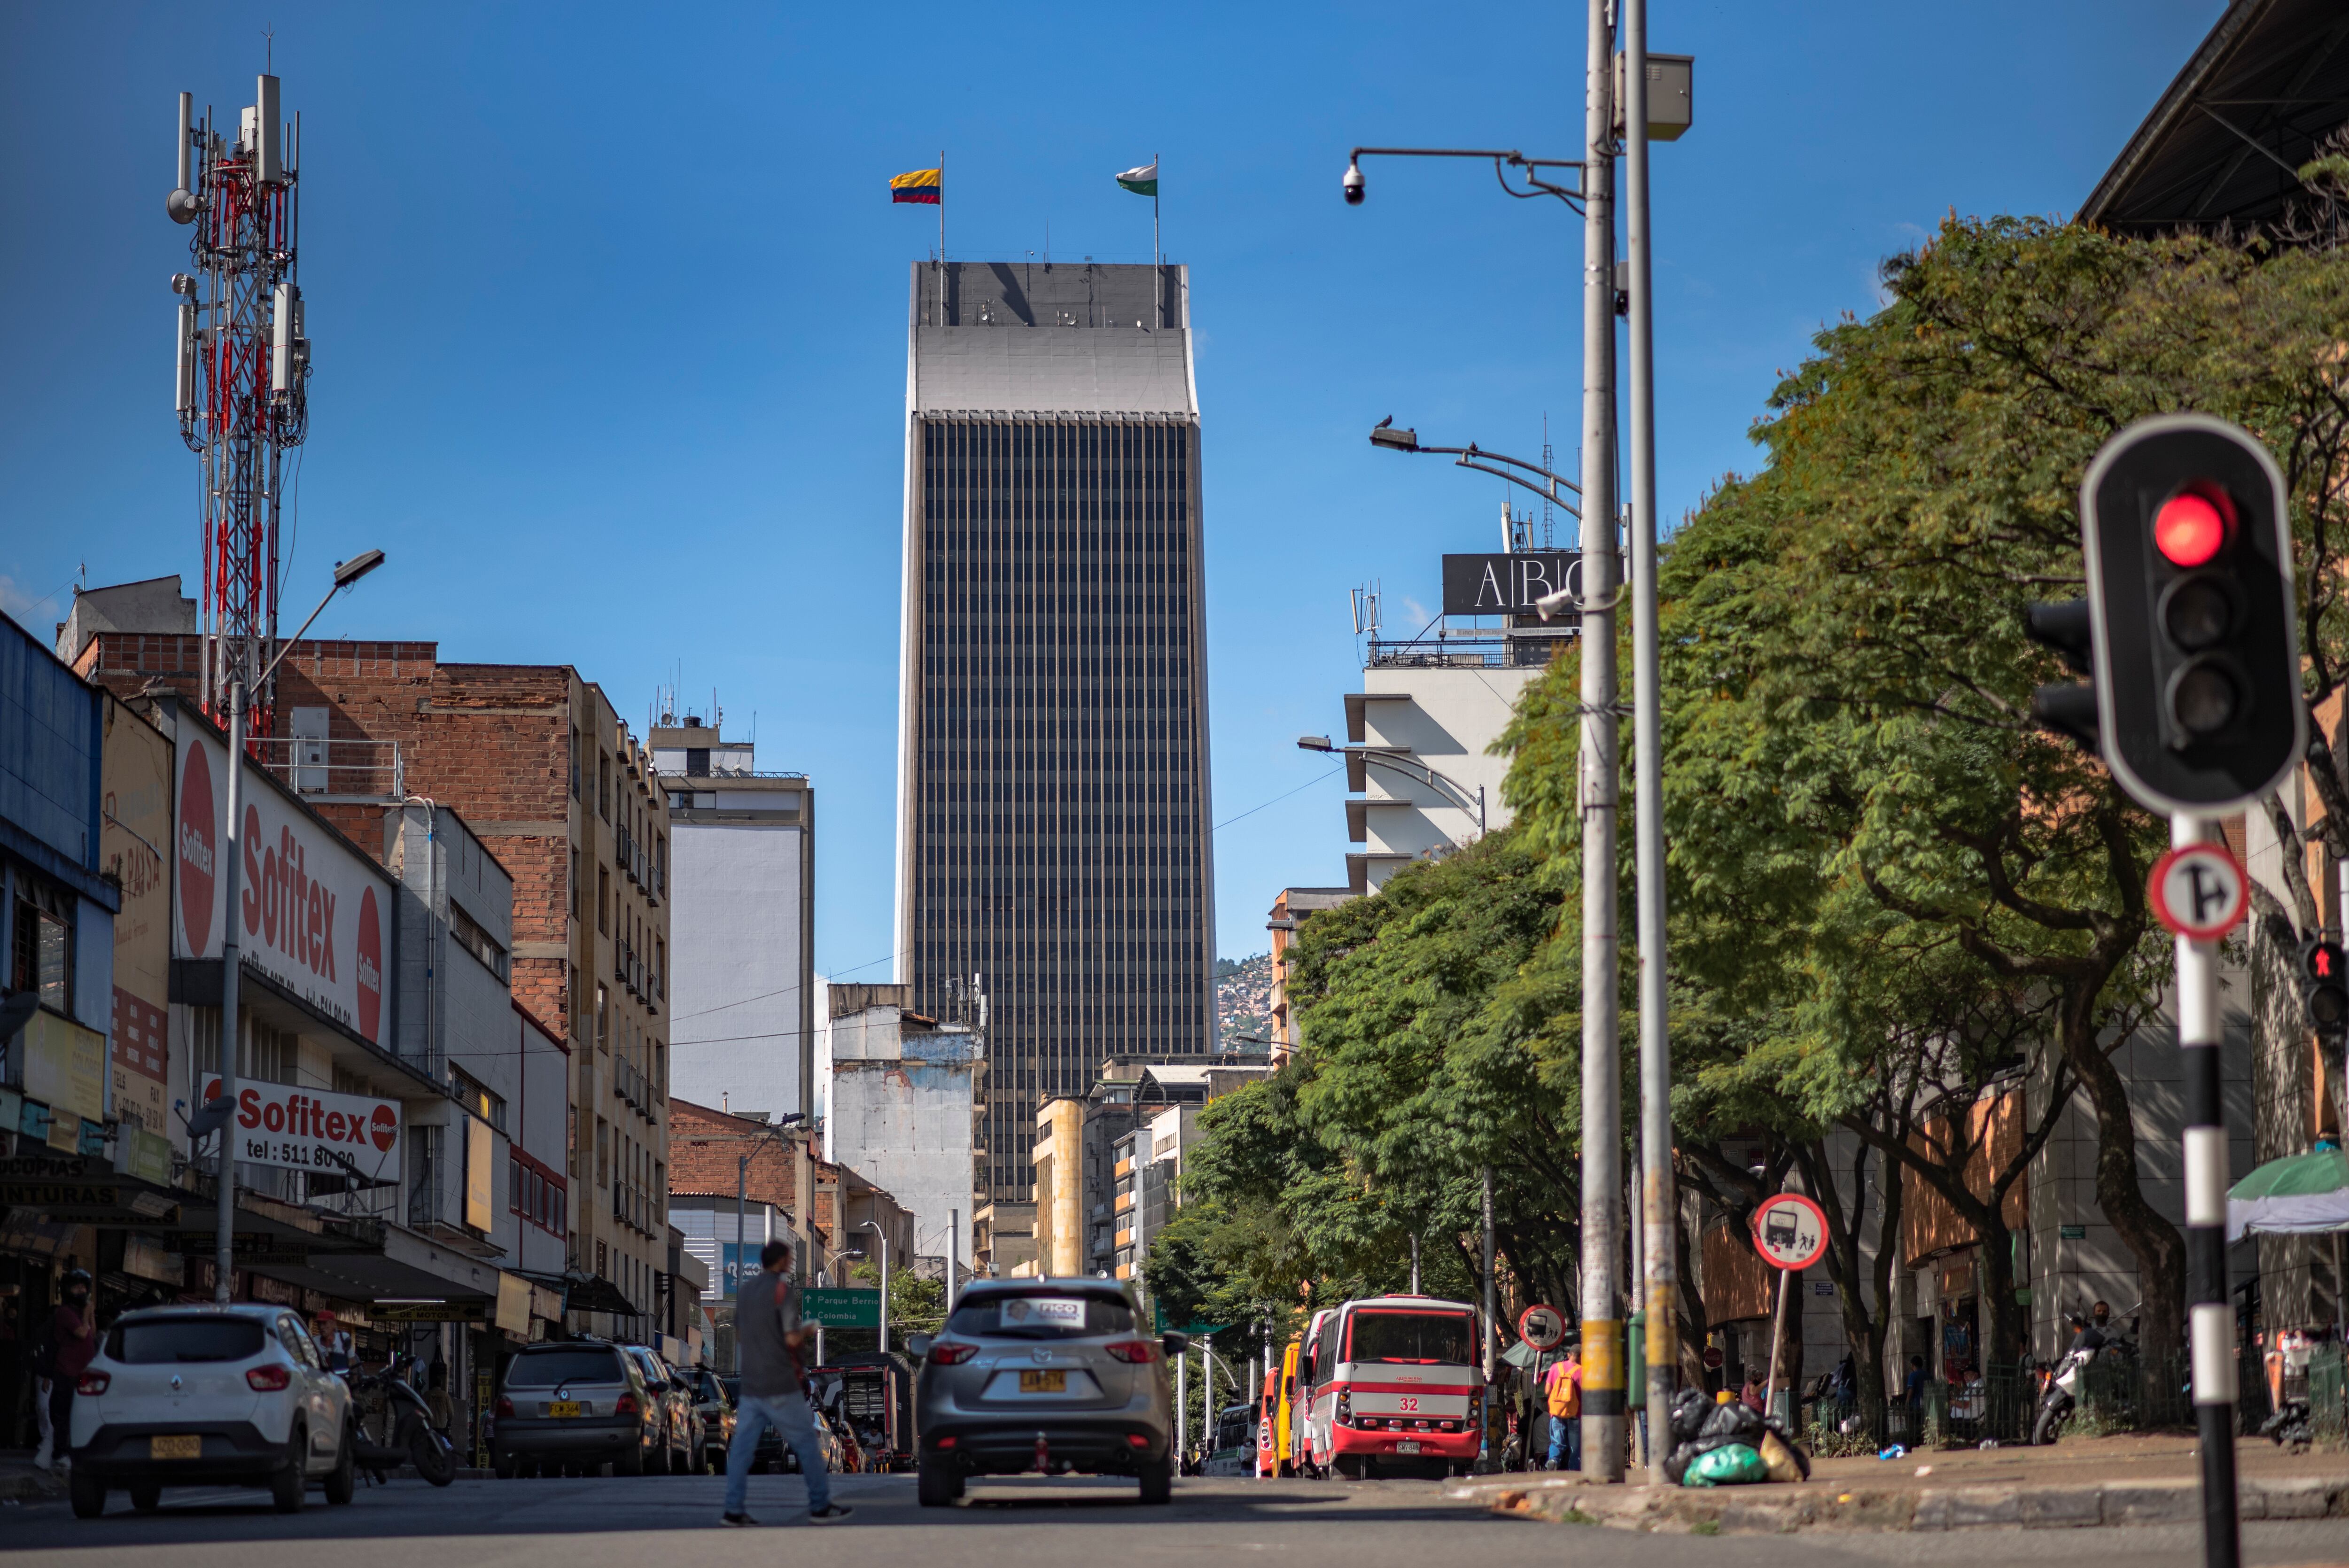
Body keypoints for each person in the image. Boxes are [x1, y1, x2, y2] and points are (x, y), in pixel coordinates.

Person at [722, 1240, 852, 1526]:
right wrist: (808, 1327)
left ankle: (733, 1509)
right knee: (807, 1443)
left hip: (752, 1383)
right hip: (781, 1382)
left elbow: (742, 1336)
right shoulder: (781, 1291)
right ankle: (820, 1506)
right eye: (790, 1258)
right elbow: (792, 1338)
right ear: (780, 1260)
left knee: (743, 1449)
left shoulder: (744, 1292)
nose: (791, 1262)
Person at [46, 1270, 98, 1470]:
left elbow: (91, 1334)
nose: (81, 1291)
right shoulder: (65, 1312)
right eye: (76, 1287)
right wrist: (86, 1316)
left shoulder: (81, 1312)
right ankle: (60, 1452)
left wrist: (90, 1314)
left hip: (84, 1372)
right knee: (64, 1414)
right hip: (67, 1372)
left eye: (83, 1287)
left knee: (82, 1414)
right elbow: (81, 1333)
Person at [1542, 1344, 1582, 1471]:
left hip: (1557, 1413)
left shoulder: (1555, 1368)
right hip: (1575, 1414)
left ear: (1569, 1355)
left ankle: (1554, 1460)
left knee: (1557, 1443)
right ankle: (1575, 1471)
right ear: (1582, 1357)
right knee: (1575, 1448)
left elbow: (1548, 1391)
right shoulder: (1582, 1371)